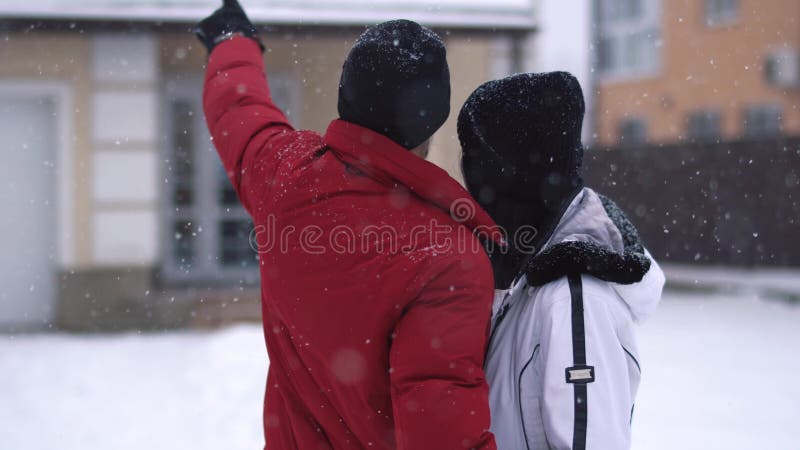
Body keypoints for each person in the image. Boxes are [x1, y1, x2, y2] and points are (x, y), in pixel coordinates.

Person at [194, 1, 500, 449]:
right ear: (434, 119)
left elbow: (240, 111)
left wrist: (231, 42)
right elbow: (442, 431)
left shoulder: (285, 176)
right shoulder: (450, 261)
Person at [458, 72, 665, 449]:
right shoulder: (528, 273)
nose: (467, 175)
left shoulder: (573, 299)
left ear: (514, 169)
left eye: (477, 158)